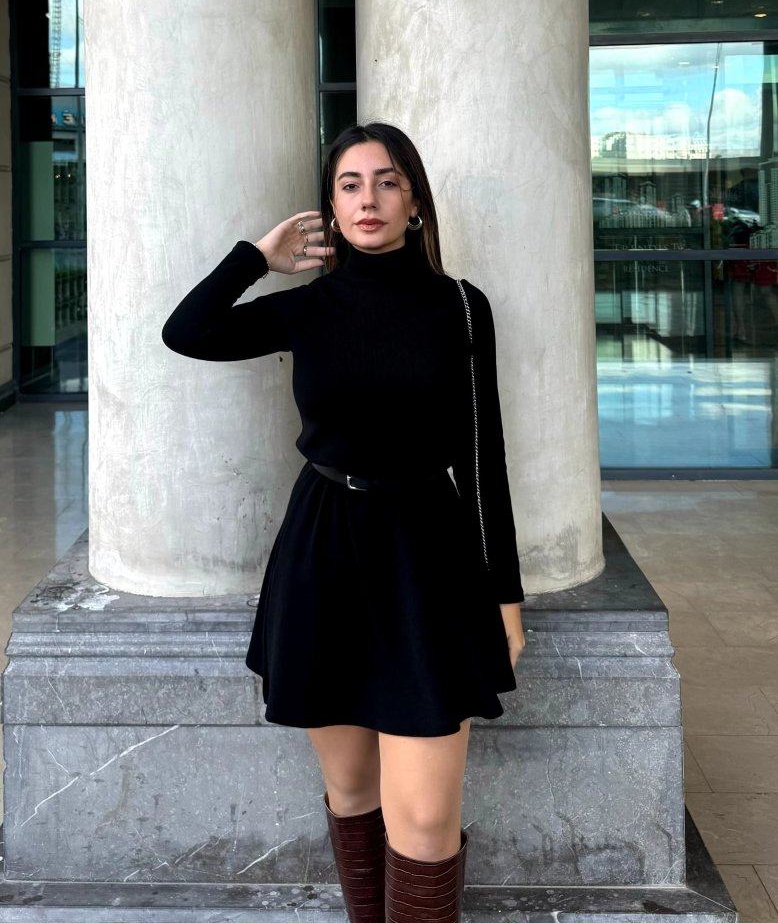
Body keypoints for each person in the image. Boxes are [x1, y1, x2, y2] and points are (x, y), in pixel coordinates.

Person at [161, 122, 527, 923]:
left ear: (415, 201)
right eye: (350, 185)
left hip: (426, 552)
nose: (370, 199)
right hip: (323, 550)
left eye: (388, 181)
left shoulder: (461, 307)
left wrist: (505, 595)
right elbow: (186, 332)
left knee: (424, 818)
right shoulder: (307, 308)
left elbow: (482, 454)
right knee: (353, 789)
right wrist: (257, 257)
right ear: (330, 207)